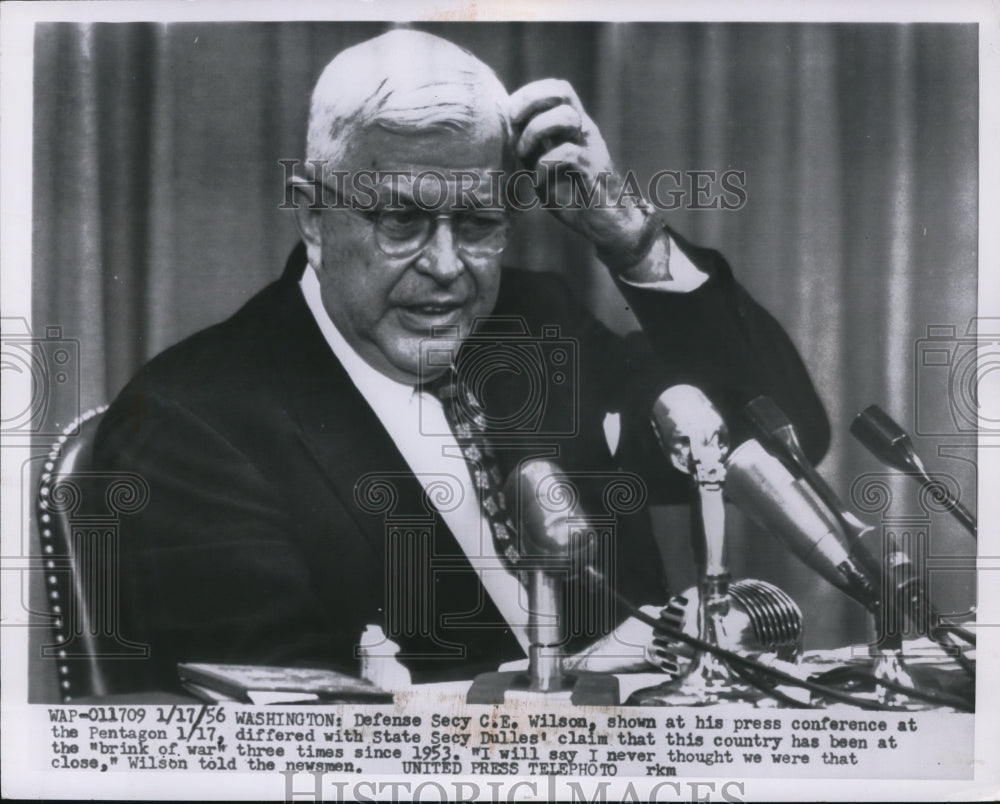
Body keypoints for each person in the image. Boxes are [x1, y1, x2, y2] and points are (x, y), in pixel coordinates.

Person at [91, 30, 828, 693]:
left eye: (478, 222)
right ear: (314, 215)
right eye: (402, 219)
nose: (446, 266)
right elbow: (291, 734)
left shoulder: (536, 328)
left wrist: (631, 238)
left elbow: (777, 441)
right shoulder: (189, 423)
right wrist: (576, 681)